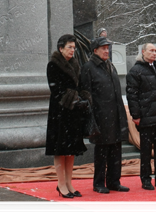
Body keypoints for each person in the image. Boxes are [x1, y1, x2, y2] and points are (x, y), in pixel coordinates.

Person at [80, 37, 130, 193]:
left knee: (116, 149)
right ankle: (99, 183)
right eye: (103, 48)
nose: (107, 51)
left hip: (115, 114)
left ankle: (114, 181)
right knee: (102, 151)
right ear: (95, 50)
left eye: (108, 48)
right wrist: (92, 116)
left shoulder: (110, 65)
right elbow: (85, 93)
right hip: (100, 116)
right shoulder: (88, 67)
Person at [126, 43, 156, 190]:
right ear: (143, 52)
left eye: (155, 51)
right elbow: (132, 95)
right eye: (151, 50)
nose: (154, 53)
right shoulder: (136, 71)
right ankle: (146, 179)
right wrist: (135, 115)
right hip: (146, 117)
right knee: (146, 151)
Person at [46, 34, 88, 198]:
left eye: (74, 47)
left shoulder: (76, 64)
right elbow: (56, 90)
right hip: (60, 113)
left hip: (74, 113)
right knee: (60, 150)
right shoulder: (53, 65)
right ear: (60, 48)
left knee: (71, 151)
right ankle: (61, 184)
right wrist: (73, 99)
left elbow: (80, 85)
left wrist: (84, 98)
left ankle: (69, 183)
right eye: (69, 47)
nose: (73, 50)